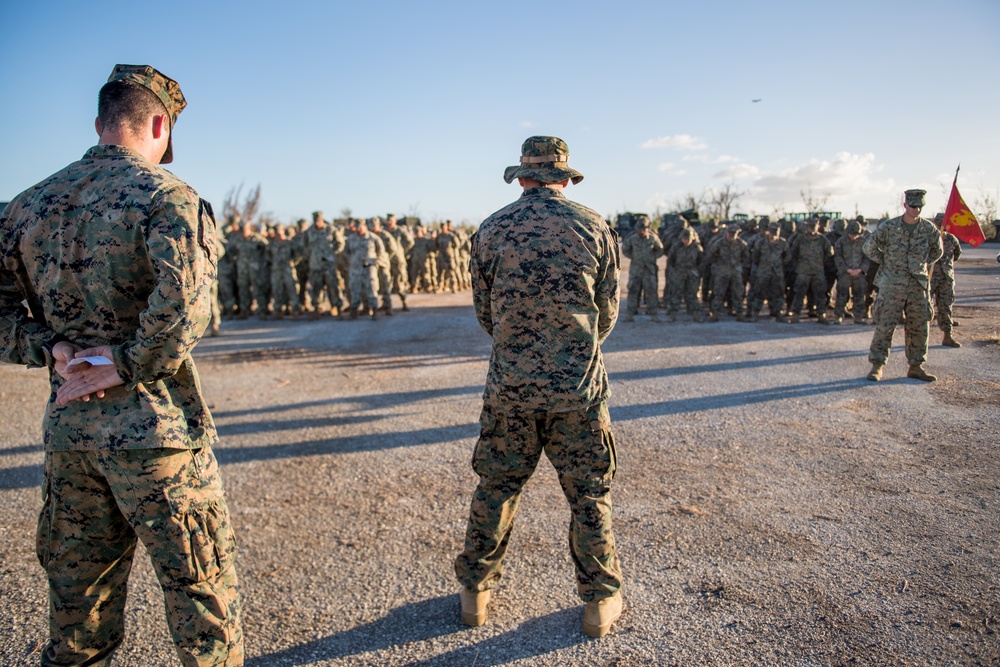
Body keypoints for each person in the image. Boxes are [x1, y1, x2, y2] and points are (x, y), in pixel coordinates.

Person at [0, 65, 243, 666]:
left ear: (101, 123)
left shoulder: (27, 205)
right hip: (156, 436)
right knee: (200, 602)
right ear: (158, 124)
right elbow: (187, 310)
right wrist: (129, 361)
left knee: (77, 612)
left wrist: (48, 347)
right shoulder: (167, 197)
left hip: (72, 433)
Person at [455, 136, 623, 638]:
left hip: (511, 387)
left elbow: (486, 314)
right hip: (578, 388)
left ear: (522, 177)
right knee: (589, 493)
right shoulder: (594, 227)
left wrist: (521, 350)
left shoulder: (491, 228)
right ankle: (599, 601)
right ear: (566, 178)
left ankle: (476, 593)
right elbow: (606, 314)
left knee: (498, 486)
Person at [863, 189, 943, 381]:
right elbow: (869, 247)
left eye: (920, 207)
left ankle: (916, 366)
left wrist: (920, 263)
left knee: (919, 326)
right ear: (905, 205)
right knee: (885, 325)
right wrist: (886, 261)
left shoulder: (929, 229)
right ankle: (877, 365)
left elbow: (937, 251)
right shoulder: (889, 227)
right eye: (913, 206)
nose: (916, 210)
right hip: (892, 283)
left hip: (917, 285)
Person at [620, 214, 664, 321]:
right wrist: (634, 257)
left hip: (649, 269)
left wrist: (652, 257)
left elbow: (660, 250)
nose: (642, 231)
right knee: (633, 291)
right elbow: (625, 249)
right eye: (640, 228)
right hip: (636, 269)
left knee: (651, 292)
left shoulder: (653, 239)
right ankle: (630, 313)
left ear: (648, 229)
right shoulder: (632, 239)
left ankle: (653, 313)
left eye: (644, 228)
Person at [930, 214, 962, 347]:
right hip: (931, 277)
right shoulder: (929, 238)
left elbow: (957, 254)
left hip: (946, 278)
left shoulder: (951, 238)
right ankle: (920, 338)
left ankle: (948, 336)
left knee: (946, 306)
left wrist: (947, 266)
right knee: (925, 307)